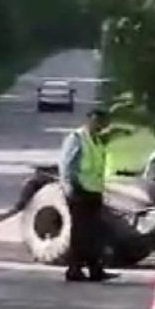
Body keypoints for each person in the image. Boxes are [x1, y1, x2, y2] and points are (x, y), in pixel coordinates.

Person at [58, 107, 117, 283]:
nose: (100, 125)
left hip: (94, 192)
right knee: (80, 233)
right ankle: (74, 269)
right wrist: (68, 188)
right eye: (97, 121)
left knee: (95, 233)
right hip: (79, 191)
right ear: (89, 120)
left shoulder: (98, 141)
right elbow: (66, 165)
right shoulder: (76, 138)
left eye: (103, 122)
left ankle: (95, 269)